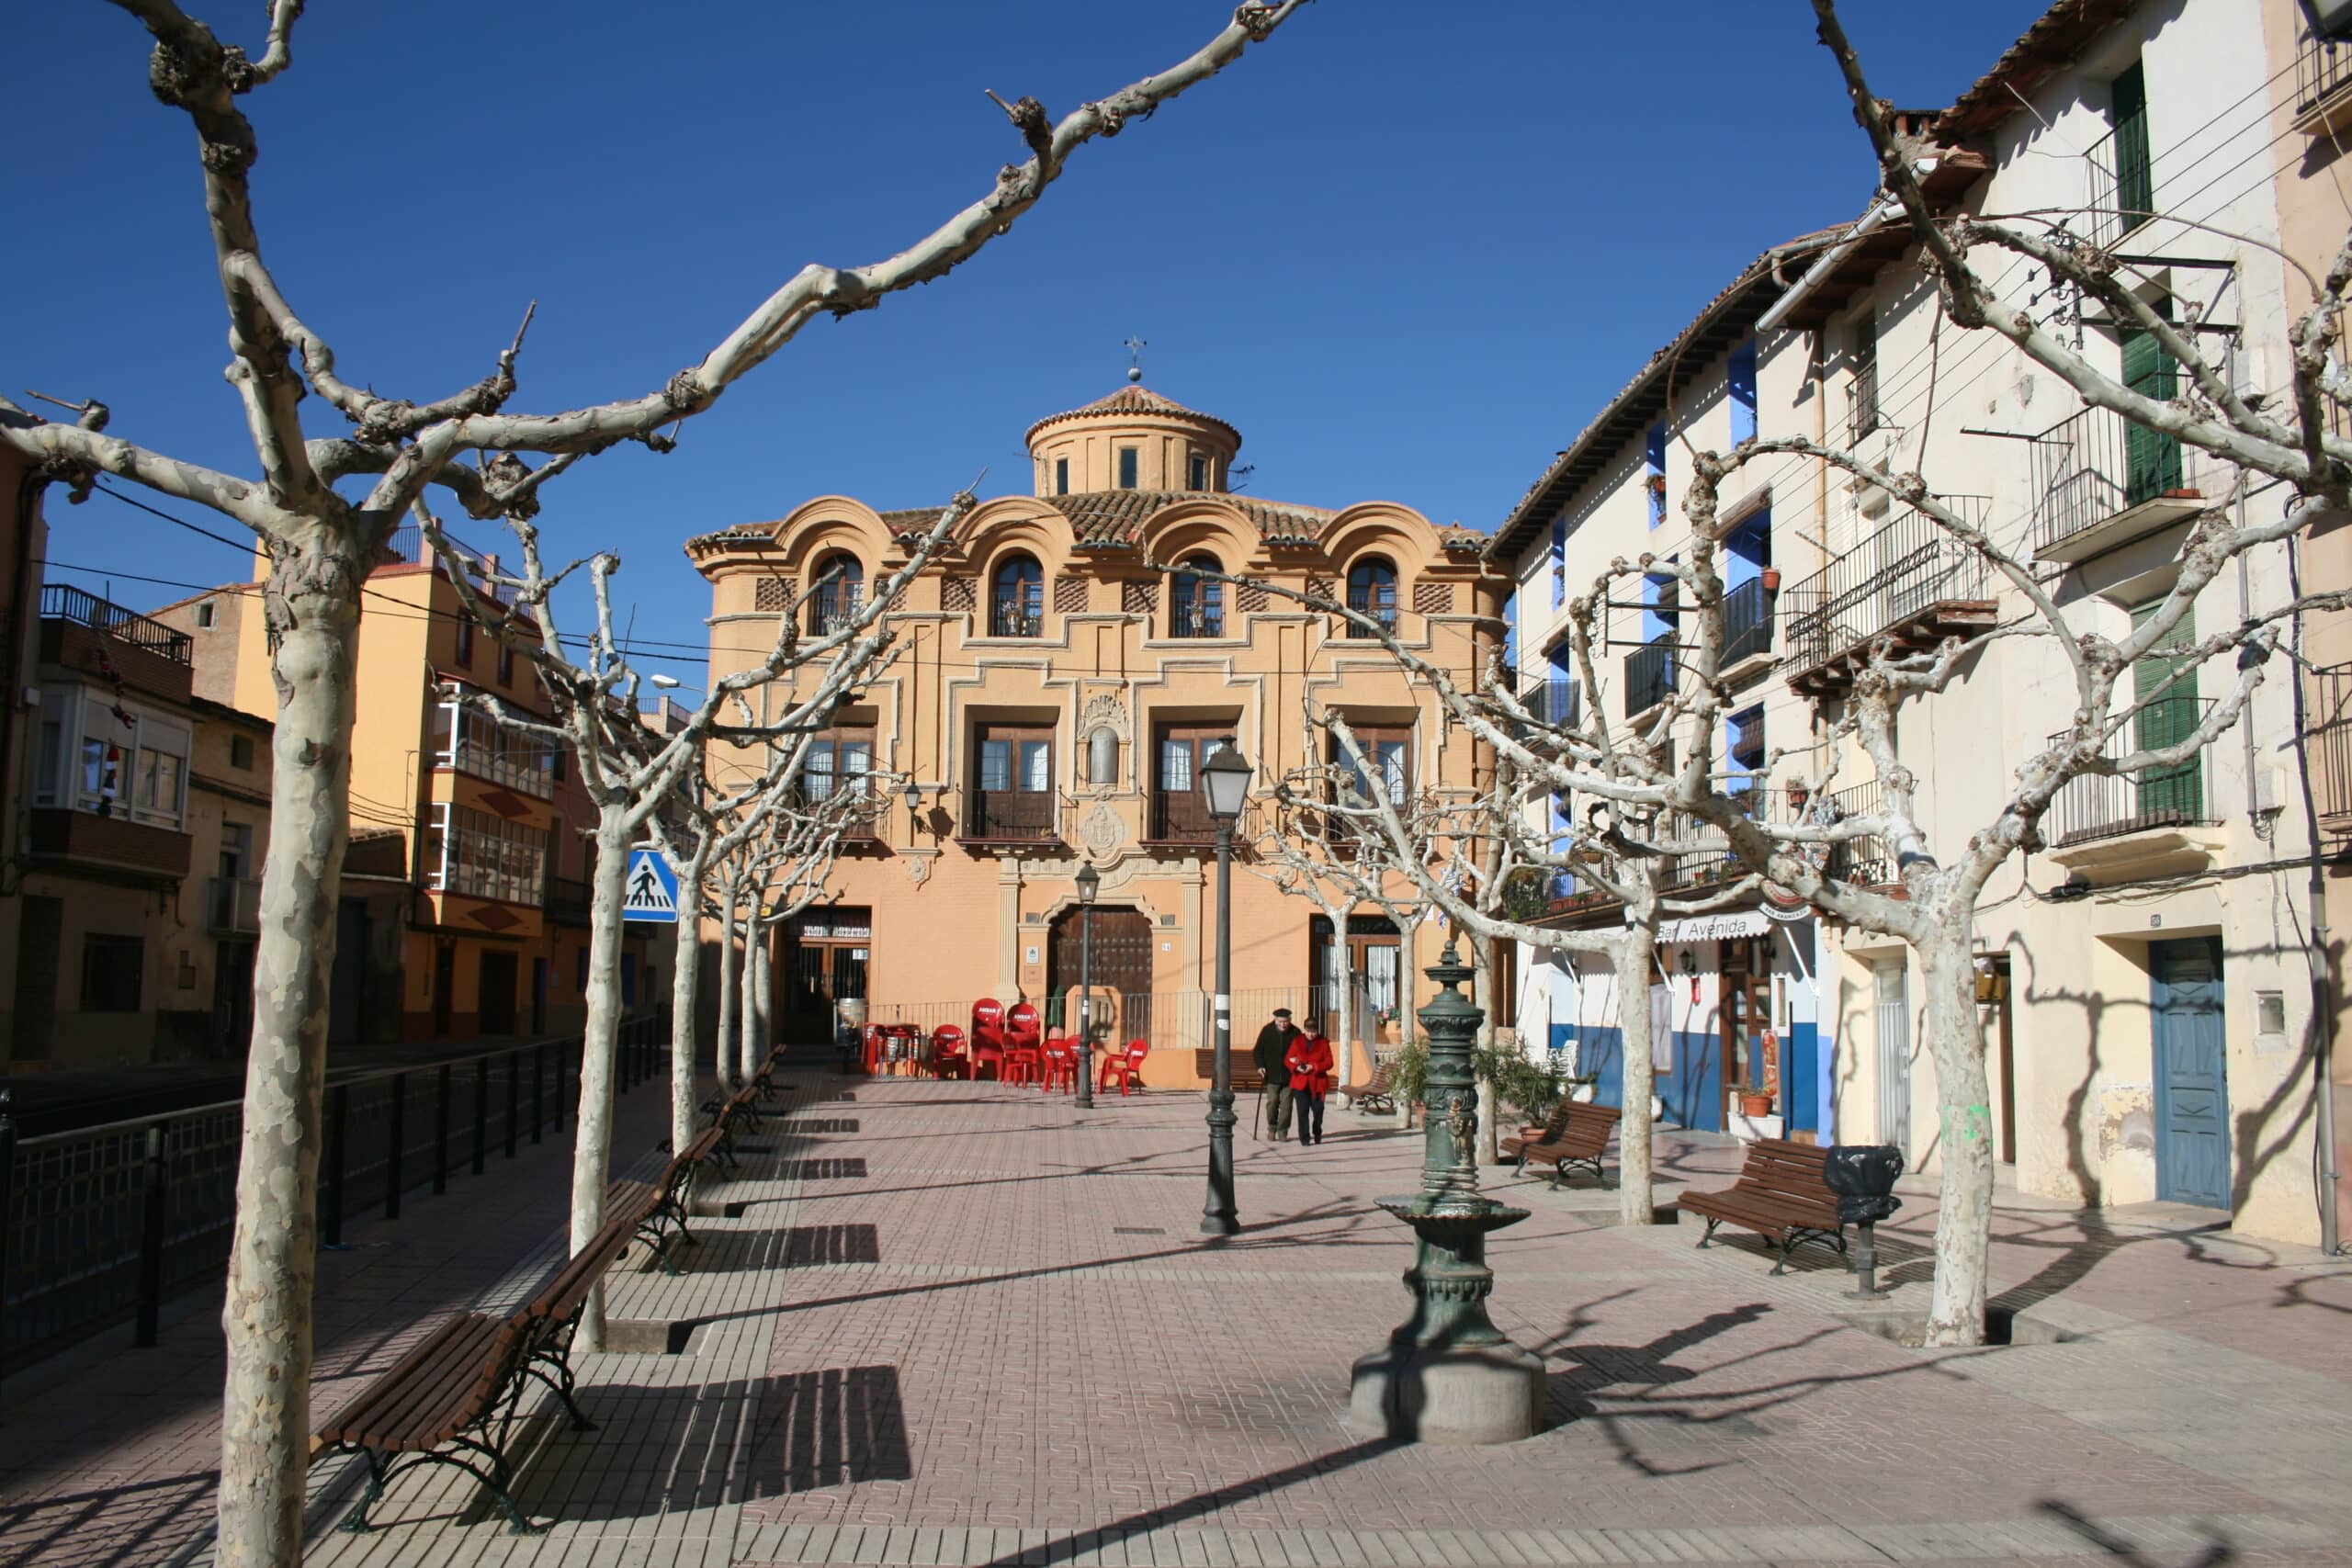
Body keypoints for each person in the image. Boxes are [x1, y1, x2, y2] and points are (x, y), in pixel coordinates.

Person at [1251, 1008, 1301, 1138]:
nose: (1283, 1024)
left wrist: (1298, 1060)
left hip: (1290, 1076)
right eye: (1280, 1022)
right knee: (1272, 1102)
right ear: (1275, 1020)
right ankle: (1272, 1127)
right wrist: (1260, 1066)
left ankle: (1283, 1131)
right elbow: (1257, 1051)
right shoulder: (1267, 1031)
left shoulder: (1296, 1032)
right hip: (1271, 1075)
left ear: (1290, 1020)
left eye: (1285, 1022)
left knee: (1286, 1105)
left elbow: (1302, 1052)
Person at [1284, 1021, 1335, 1146]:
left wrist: (1314, 1066)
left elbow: (1329, 1062)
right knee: (1302, 1111)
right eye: (1308, 1031)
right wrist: (1296, 1067)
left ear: (1317, 1031)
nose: (1311, 1035)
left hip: (1317, 1082)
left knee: (1318, 1110)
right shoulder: (1297, 1041)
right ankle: (1304, 1138)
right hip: (1300, 1082)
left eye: (1313, 1032)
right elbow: (1288, 1059)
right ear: (1304, 1030)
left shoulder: (1323, 1042)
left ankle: (1317, 1131)